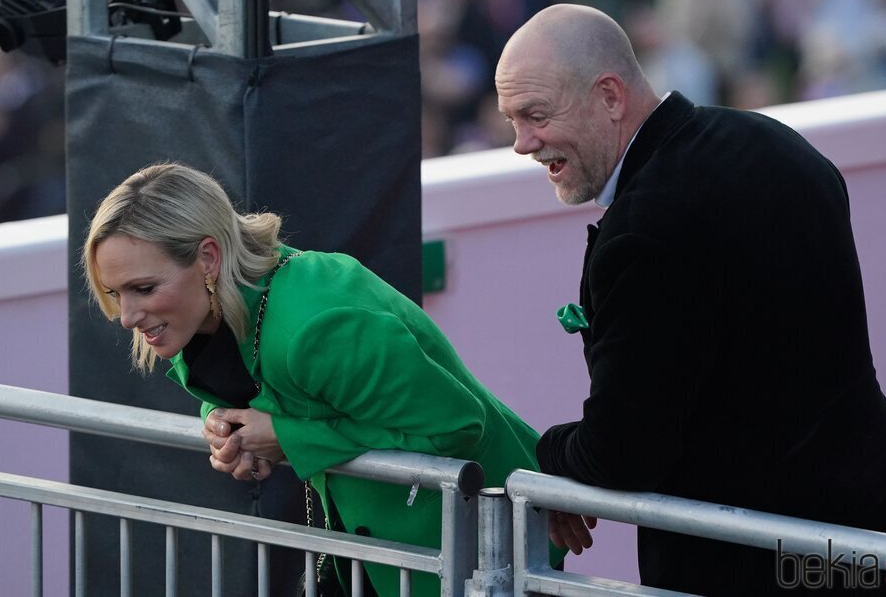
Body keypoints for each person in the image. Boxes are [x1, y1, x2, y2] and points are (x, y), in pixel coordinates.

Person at [494, 3, 886, 595]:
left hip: (775, 564)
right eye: (511, 122)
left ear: (609, 95)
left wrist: (546, 457)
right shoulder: (770, 141)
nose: (521, 144)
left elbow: (624, 450)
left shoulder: (644, 229)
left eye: (534, 116)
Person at [82, 162, 564, 597]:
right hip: (376, 552)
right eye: (114, 292)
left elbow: (457, 426)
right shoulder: (211, 306)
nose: (126, 316)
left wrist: (285, 438)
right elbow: (243, 384)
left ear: (208, 258)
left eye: (143, 289)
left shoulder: (316, 325)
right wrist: (222, 424)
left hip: (478, 554)